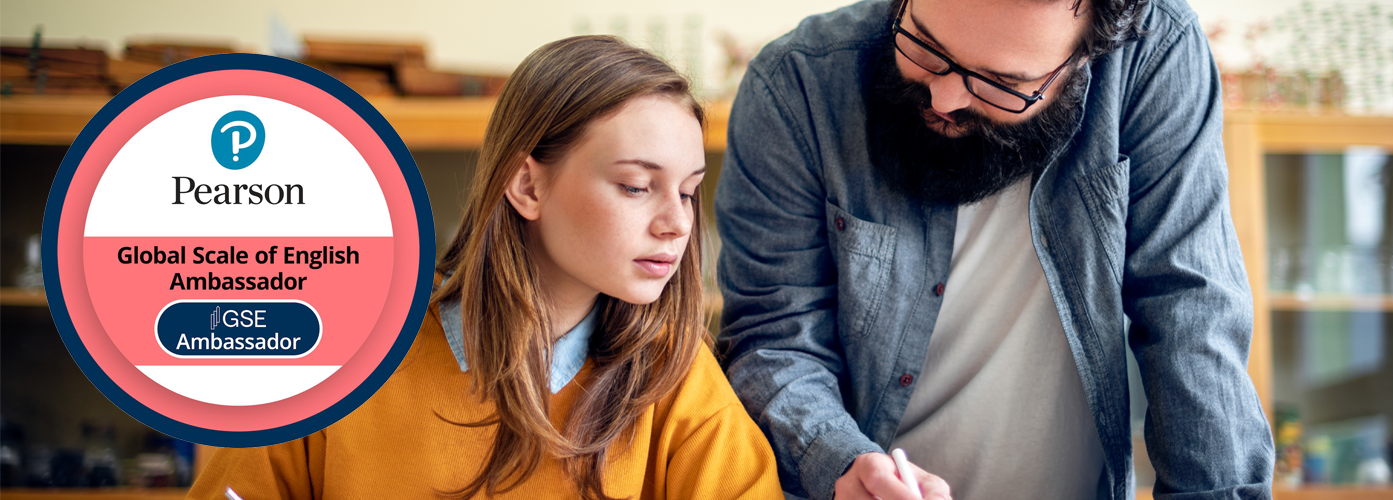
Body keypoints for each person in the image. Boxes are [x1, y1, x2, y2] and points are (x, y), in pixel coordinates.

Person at [714, 0, 1274, 498]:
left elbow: (1190, 313)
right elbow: (775, 336)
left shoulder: (1155, 53)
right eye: (925, 48)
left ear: (1087, 56)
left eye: (1000, 82)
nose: (945, 97)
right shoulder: (797, 83)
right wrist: (842, 463)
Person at [189, 35, 783, 500]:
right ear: (526, 184)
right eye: (634, 186)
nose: (677, 224)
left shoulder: (675, 375)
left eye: (687, 191)